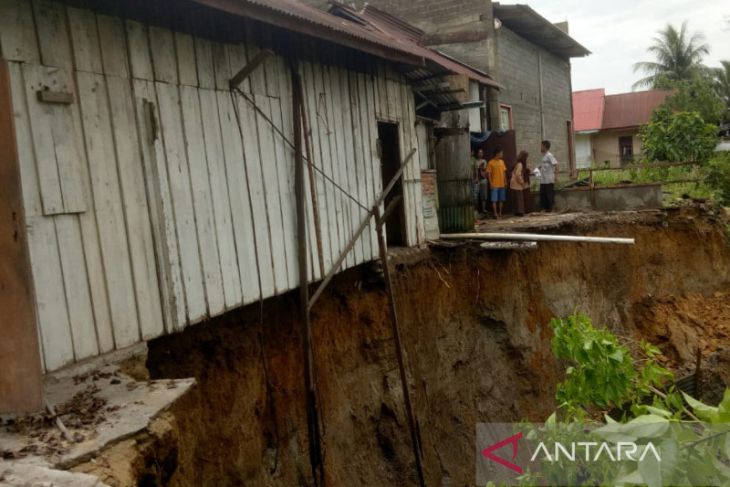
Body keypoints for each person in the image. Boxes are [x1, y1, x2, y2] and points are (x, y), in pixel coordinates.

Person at [486, 147, 507, 219]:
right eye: (501, 153)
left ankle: (500, 213)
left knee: (501, 199)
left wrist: (505, 181)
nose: (502, 154)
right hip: (494, 184)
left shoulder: (502, 162)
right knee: (494, 200)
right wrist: (491, 183)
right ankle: (495, 214)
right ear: (497, 154)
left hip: (501, 184)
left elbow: (504, 172)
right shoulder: (490, 162)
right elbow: (488, 174)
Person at [538, 140, 559, 212]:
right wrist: (537, 169)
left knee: (549, 195)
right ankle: (544, 209)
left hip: (549, 179)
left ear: (545, 147)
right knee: (543, 195)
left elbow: (556, 165)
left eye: (541, 146)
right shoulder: (544, 156)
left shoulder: (549, 155)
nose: (540, 147)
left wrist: (556, 176)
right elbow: (543, 166)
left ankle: (551, 209)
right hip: (543, 180)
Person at [510, 150, 529, 216]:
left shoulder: (516, 163)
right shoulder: (520, 164)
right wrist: (522, 182)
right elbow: (518, 174)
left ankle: (516, 212)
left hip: (512, 183)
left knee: (515, 199)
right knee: (519, 198)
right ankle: (520, 212)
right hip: (517, 183)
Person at [474, 149, 488, 214]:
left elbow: (484, 169)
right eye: (479, 152)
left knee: (484, 195)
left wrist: (481, 167)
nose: (480, 154)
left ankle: (484, 209)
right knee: (476, 195)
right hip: (477, 180)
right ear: (477, 154)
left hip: (483, 179)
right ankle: (476, 209)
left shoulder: (484, 161)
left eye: (482, 152)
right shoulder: (475, 161)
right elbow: (475, 170)